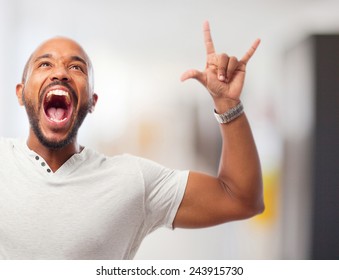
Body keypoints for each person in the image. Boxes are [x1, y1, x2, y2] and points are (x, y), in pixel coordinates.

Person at [0, 21, 264, 259]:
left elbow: (240, 199)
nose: (60, 73)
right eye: (45, 64)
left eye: (76, 67)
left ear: (92, 102)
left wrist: (229, 106)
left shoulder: (132, 180)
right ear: (21, 94)